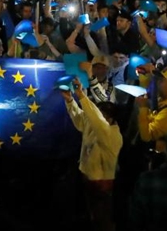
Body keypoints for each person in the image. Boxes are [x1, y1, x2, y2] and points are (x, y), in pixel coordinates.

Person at [62, 77, 123, 231]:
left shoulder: (111, 135)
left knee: (103, 219)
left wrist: (82, 95)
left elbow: (95, 119)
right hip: (87, 177)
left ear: (109, 119)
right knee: (92, 215)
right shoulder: (95, 126)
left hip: (102, 183)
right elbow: (81, 119)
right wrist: (70, 101)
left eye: (100, 116)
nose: (94, 117)